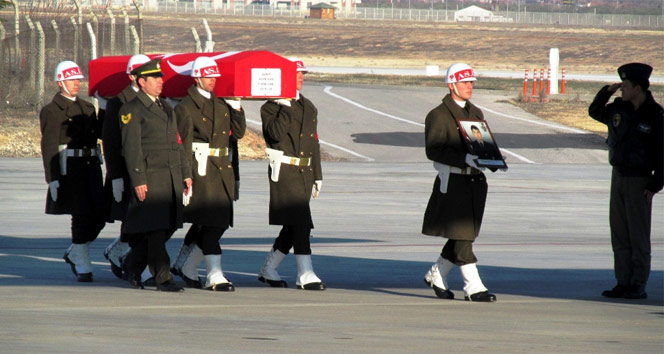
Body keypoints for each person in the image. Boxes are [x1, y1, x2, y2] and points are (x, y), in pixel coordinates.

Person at [421, 63, 497, 302]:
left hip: (475, 182)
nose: (470, 86)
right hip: (452, 181)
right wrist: (463, 158)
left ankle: (437, 274)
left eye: (472, 82)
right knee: (463, 236)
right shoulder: (438, 115)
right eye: (465, 82)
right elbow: (433, 150)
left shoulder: (476, 113)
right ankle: (473, 287)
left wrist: (492, 158)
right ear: (451, 85)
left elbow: (481, 144)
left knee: (463, 234)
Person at [171, 56, 246, 291]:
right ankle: (214, 274)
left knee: (217, 222)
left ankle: (185, 265)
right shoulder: (186, 107)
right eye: (208, 76)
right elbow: (182, 144)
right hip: (200, 170)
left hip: (221, 169)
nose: (212, 80)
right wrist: (186, 175)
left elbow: (239, 133)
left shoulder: (221, 104)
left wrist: (236, 106)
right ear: (197, 78)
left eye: (214, 76)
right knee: (212, 223)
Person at [588, 63, 663, 300]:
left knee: (637, 236)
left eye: (626, 85)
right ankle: (622, 281)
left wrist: (654, 185)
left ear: (638, 88)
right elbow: (594, 111)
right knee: (619, 234)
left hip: (640, 181)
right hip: (618, 177)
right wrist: (607, 91)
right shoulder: (618, 110)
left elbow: (663, 154)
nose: (622, 89)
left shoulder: (655, 115)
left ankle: (637, 283)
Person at [118, 59, 193, 292]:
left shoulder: (165, 107)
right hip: (151, 179)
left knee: (166, 226)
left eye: (161, 77)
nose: (161, 82)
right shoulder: (132, 110)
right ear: (142, 82)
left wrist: (186, 173)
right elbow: (132, 149)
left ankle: (131, 264)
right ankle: (163, 277)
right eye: (156, 78)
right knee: (157, 230)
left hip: (170, 179)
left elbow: (177, 144)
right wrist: (139, 180)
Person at [257, 58, 325, 290]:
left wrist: (317, 174)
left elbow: (314, 143)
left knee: (293, 224)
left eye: (302, 74)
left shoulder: (309, 107)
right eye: (296, 74)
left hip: (304, 171)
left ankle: (268, 269)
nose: (301, 77)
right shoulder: (271, 107)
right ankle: (305, 273)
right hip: (285, 171)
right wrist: (284, 106)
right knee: (302, 223)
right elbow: (275, 134)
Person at [39, 60, 106, 282]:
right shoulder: (51, 111)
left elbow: (100, 133)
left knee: (100, 215)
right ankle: (83, 260)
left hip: (91, 166)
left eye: (78, 79)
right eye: (71, 80)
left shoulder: (87, 107)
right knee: (80, 214)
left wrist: (104, 108)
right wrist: (53, 178)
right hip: (71, 170)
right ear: (60, 82)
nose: (77, 83)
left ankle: (76, 250)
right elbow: (49, 146)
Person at [101, 54, 153, 284]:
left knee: (144, 217)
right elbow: (110, 142)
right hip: (126, 169)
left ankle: (122, 253)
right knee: (134, 216)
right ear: (133, 76)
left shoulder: (154, 99)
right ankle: (128, 257)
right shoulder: (118, 102)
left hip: (149, 167)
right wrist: (115, 177)